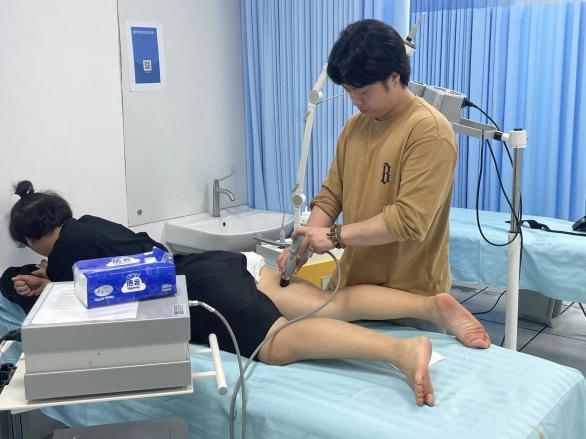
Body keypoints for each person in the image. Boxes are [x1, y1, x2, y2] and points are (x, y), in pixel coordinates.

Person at [6, 181, 490, 407]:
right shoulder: (90, 224)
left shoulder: (65, 258)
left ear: (32, 238)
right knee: (329, 303)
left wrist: (41, 281)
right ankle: (429, 305)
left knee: (277, 343)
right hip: (217, 265)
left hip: (201, 289)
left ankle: (401, 351)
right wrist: (50, 274)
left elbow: (66, 303)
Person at [278, 20, 458, 305]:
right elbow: (332, 195)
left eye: (363, 93)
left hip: (409, 297)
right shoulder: (355, 127)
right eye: (349, 91)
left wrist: (335, 235)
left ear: (394, 77)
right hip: (352, 284)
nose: (355, 101)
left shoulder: (429, 131)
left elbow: (408, 220)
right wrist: (303, 243)